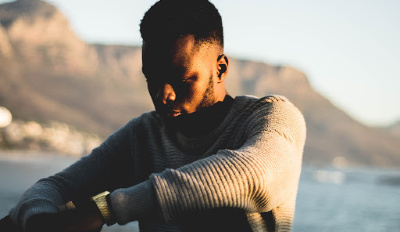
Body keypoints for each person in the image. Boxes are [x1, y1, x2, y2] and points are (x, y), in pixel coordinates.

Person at [7, 0, 306, 231]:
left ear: (221, 68)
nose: (164, 94)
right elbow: (55, 187)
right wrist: (39, 222)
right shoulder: (144, 135)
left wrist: (106, 209)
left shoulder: (272, 117)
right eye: (152, 78)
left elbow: (256, 175)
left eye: (182, 78)